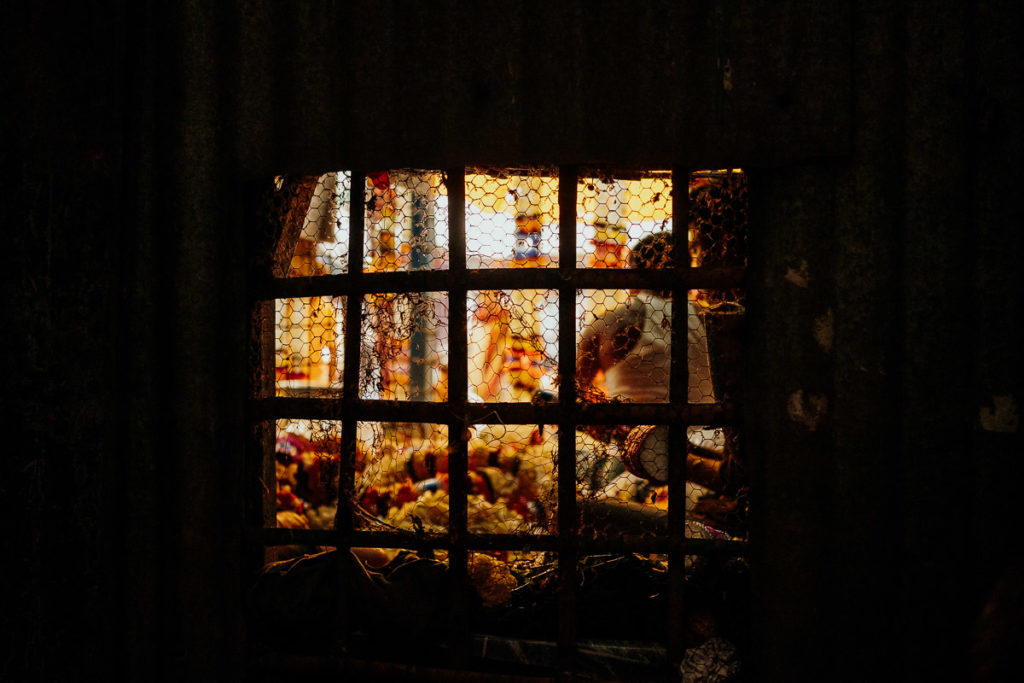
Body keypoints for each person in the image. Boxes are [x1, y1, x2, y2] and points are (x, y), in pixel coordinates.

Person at [574, 231, 743, 508]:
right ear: (689, 273)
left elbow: (574, 393)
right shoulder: (713, 321)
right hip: (714, 468)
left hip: (635, 464)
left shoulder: (612, 323)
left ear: (631, 275)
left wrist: (614, 428)